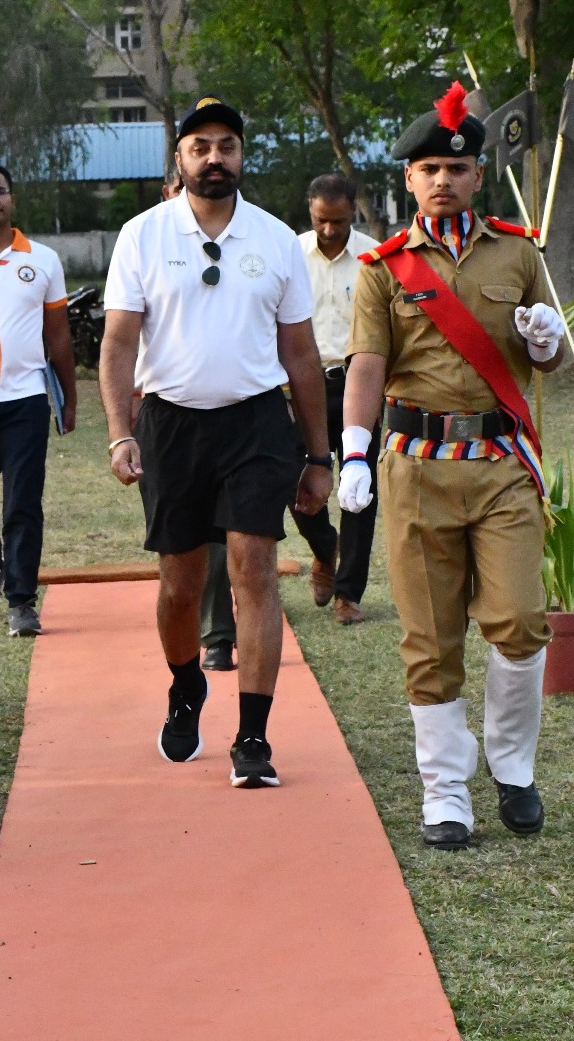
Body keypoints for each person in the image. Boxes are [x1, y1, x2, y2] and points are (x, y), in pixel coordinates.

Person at [339, 81, 564, 850]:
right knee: (429, 638)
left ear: (476, 176)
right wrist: (354, 451)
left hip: (500, 463)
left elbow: (555, 352)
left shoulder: (518, 251)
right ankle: (444, 792)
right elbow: (366, 364)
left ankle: (511, 767)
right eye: (428, 168)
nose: (442, 179)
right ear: (408, 179)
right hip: (415, 467)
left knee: (518, 620)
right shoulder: (383, 268)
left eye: (456, 169)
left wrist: (541, 340)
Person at [100, 95, 332, 789]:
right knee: (179, 585)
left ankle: (252, 738)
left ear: (241, 155)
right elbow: (116, 344)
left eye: (226, 145)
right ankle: (184, 684)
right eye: (199, 147)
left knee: (252, 569)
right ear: (179, 157)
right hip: (170, 423)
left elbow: (300, 353)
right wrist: (118, 434)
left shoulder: (274, 239)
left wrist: (318, 457)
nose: (213, 158)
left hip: (257, 423)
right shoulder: (140, 235)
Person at [0, 161, 77, 636]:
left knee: (23, 503)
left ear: (12, 198)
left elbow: (58, 337)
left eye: (0, 191)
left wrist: (68, 400)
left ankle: (21, 601)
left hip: (25, 399)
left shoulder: (42, 260)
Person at [291, 175, 378, 625]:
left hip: (358, 383)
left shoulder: (373, 257)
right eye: (322, 221)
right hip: (300, 386)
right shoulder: (288, 254)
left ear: (353, 212)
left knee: (359, 490)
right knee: (295, 481)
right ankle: (324, 547)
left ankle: (349, 593)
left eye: (339, 221)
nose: (329, 230)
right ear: (310, 211)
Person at [161, 169, 236, 670]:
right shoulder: (146, 240)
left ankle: (221, 634)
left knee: (234, 534)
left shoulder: (249, 239)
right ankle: (191, 664)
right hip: (170, 417)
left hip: (241, 415)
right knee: (187, 555)